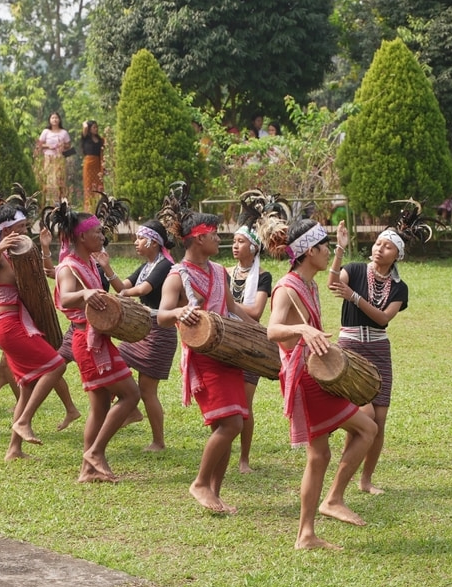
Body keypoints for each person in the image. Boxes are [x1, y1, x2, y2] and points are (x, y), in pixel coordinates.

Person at [265, 217, 378, 550]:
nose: (328, 252)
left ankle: (309, 530)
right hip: (305, 379)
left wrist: (341, 247)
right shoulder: (287, 287)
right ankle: (316, 520)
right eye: (325, 247)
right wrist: (302, 330)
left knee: (320, 455)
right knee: (363, 431)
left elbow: (331, 278)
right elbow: (272, 330)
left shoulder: (310, 283)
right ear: (309, 251)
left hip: (314, 374)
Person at [156, 204, 255, 513]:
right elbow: (161, 315)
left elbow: (232, 309)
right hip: (203, 356)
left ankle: (214, 492)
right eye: (213, 234)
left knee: (230, 424)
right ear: (198, 239)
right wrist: (178, 312)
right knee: (231, 424)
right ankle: (200, 483)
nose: (219, 239)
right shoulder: (177, 276)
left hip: (228, 352)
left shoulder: (219, 271)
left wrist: (261, 331)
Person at [47, 198, 140, 482]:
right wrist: (84, 294)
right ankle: (95, 452)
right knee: (131, 395)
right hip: (87, 342)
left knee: (99, 407)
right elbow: (64, 297)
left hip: (96, 340)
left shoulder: (88, 262)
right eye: (97, 232)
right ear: (81, 236)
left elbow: (120, 290)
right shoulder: (68, 267)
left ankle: (87, 470)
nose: (102, 235)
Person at [0, 203, 76, 461]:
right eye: (21, 228)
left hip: (17, 323)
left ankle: (14, 449)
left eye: (25, 227)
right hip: (10, 325)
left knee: (27, 387)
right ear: (7, 229)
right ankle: (23, 421)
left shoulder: (16, 253)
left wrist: (44, 248)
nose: (25, 232)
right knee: (56, 365)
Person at [326, 221, 411, 495]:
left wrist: (354, 297)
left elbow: (384, 318)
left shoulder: (399, 287)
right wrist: (340, 249)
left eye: (387, 247)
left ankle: (366, 479)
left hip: (379, 350)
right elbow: (331, 284)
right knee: (365, 415)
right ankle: (346, 473)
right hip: (350, 346)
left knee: (380, 419)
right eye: (377, 244)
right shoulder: (354, 269)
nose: (379, 249)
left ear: (396, 254)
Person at [116, 219, 177, 452]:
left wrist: (124, 294)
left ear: (153, 242)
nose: (135, 243)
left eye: (140, 239)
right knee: (115, 361)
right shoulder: (147, 265)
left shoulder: (165, 265)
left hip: (160, 332)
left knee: (148, 390)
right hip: (141, 330)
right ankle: (132, 410)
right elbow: (124, 284)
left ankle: (158, 441)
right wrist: (106, 267)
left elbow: (142, 290)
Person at [229, 194, 273, 473]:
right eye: (234, 241)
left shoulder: (264, 277)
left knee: (244, 404)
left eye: (241, 241)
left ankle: (244, 459)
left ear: (254, 248)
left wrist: (228, 302)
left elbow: (256, 311)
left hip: (250, 343)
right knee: (226, 402)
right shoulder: (225, 272)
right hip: (226, 341)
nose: (235, 246)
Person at [36, 112, 72, 204]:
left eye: (56, 118)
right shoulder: (46, 132)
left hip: (59, 158)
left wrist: (62, 145)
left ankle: (60, 200)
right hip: (48, 157)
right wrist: (48, 146)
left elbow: (69, 145)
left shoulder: (64, 132)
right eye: (52, 118)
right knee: (49, 178)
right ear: (49, 120)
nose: (55, 120)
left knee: (59, 178)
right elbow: (39, 144)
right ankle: (49, 200)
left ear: (59, 120)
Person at [80, 120, 105, 212]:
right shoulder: (85, 138)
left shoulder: (100, 140)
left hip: (98, 164)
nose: (96, 129)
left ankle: (99, 207)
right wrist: (86, 122)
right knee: (89, 186)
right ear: (89, 129)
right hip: (89, 164)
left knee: (99, 185)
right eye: (94, 127)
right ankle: (89, 208)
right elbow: (85, 126)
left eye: (96, 127)